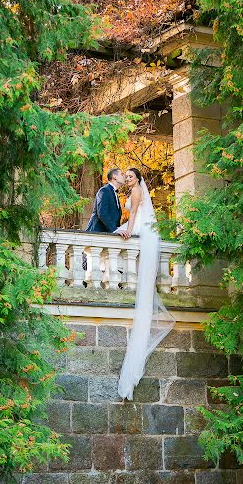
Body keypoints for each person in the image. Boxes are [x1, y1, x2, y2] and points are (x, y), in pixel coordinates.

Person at [116, 168, 175, 400]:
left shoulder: (138, 190)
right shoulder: (133, 190)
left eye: (131, 176)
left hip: (140, 228)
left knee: (116, 240)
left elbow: (133, 215)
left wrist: (129, 231)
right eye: (127, 177)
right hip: (141, 228)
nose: (129, 179)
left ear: (138, 179)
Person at [86, 168, 127, 236]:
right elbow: (102, 213)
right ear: (114, 176)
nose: (124, 176)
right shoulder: (104, 190)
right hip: (96, 234)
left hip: (107, 234)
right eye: (122, 174)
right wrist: (115, 230)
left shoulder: (114, 193)